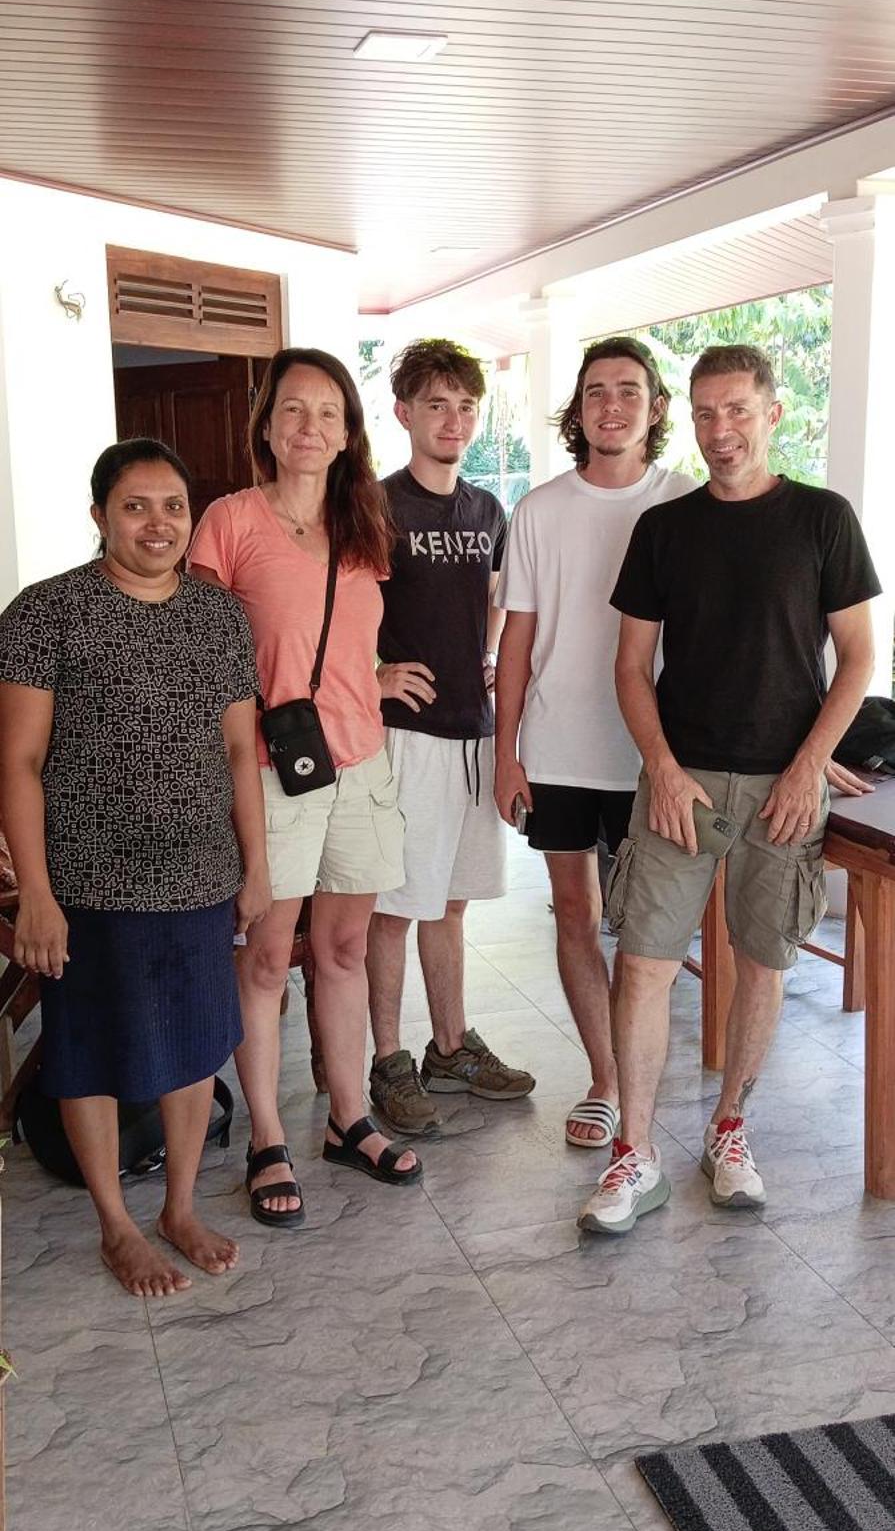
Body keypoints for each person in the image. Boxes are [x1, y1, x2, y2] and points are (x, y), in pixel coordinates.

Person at [577, 342, 880, 1236]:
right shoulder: (664, 530)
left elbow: (858, 658)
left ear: (772, 412)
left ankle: (729, 1132)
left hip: (786, 784)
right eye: (705, 413)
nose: (720, 430)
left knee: (763, 963)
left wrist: (803, 765)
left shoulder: (823, 519)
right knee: (641, 963)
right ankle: (633, 1154)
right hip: (683, 783)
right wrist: (663, 770)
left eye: (737, 410)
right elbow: (630, 668)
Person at [0, 439, 270, 1298]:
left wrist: (254, 866)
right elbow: (18, 764)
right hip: (87, 884)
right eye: (135, 506)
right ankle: (117, 1224)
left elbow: (238, 751)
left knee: (195, 1048)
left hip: (198, 876)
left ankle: (179, 1207)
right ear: (99, 516)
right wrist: (35, 895)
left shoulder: (219, 616)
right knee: (88, 1052)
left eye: (173, 507)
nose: (158, 524)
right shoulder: (44, 614)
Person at [190, 346, 421, 1222]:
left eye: (328, 413)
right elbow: (199, 648)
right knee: (262, 957)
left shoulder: (365, 524)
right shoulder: (230, 521)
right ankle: (264, 1136)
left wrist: (381, 673)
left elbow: (352, 636)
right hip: (271, 771)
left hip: (360, 764)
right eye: (293, 410)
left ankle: (346, 1117)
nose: (310, 428)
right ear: (266, 424)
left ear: (348, 431)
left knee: (343, 951)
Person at [494, 336, 695, 1152]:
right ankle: (606, 1081)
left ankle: (639, 1072)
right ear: (577, 409)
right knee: (573, 912)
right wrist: (505, 751)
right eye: (595, 392)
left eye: (627, 390)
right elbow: (517, 640)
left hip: (657, 754)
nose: (610, 405)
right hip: (558, 747)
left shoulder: (686, 501)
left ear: (653, 407)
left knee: (650, 932)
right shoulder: (539, 509)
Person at [365, 337, 536, 1136]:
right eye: (436, 405)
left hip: (473, 728)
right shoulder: (376, 506)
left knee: (451, 904)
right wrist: (374, 672)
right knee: (396, 907)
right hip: (407, 736)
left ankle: (449, 1048)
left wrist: (493, 655)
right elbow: (340, 611)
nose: (454, 421)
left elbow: (499, 594)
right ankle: (390, 1062)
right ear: (403, 413)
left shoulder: (484, 509)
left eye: (466, 406)